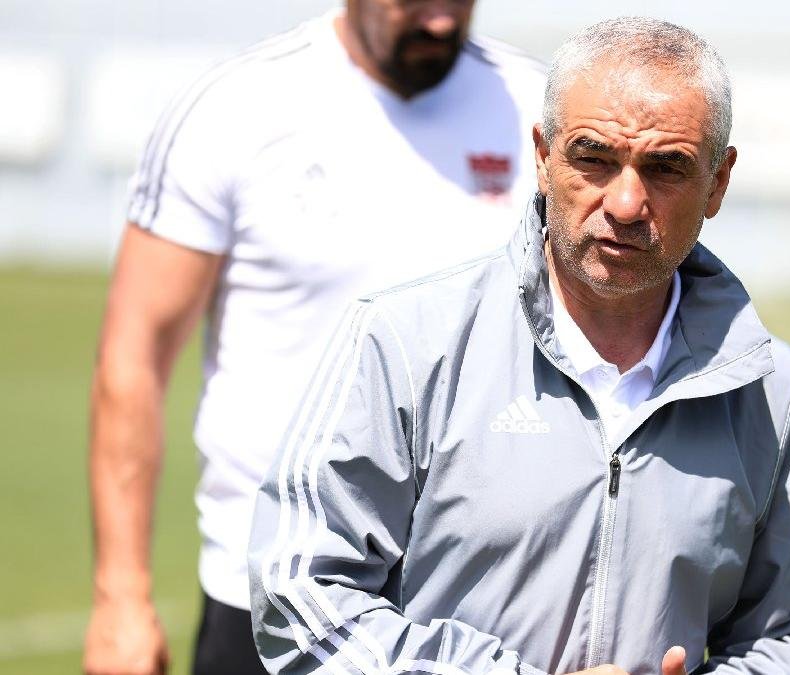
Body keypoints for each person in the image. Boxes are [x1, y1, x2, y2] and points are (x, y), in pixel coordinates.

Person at [248, 16, 790, 675]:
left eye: (666, 168)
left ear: (718, 182)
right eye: (594, 157)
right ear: (542, 156)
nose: (626, 202)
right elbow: (300, 595)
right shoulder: (405, 341)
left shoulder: (769, 386)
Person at [85, 1, 545, 673]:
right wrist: (120, 596)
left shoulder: (537, 108)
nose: (442, 22)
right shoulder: (234, 109)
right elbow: (134, 356)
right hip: (268, 597)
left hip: (477, 609)